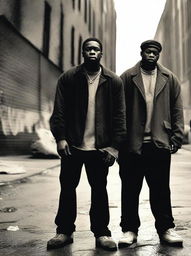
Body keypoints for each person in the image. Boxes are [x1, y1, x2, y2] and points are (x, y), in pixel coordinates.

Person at [47, 38, 126, 251]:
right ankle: (64, 231)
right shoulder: (69, 78)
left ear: (101, 53)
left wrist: (114, 147)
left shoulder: (113, 81)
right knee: (67, 187)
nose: (92, 52)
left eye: (96, 49)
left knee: (99, 189)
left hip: (100, 148)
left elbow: (120, 116)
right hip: (72, 145)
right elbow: (59, 110)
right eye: (88, 49)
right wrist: (60, 137)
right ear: (83, 53)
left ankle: (102, 233)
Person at [118, 40, 184, 248]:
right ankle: (129, 230)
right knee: (130, 189)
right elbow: (117, 112)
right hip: (132, 145)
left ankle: (165, 229)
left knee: (161, 189)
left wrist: (177, 136)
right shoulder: (127, 77)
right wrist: (118, 140)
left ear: (158, 55)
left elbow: (177, 110)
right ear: (142, 53)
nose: (152, 55)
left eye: (155, 52)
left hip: (159, 143)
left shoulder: (169, 78)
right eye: (148, 52)